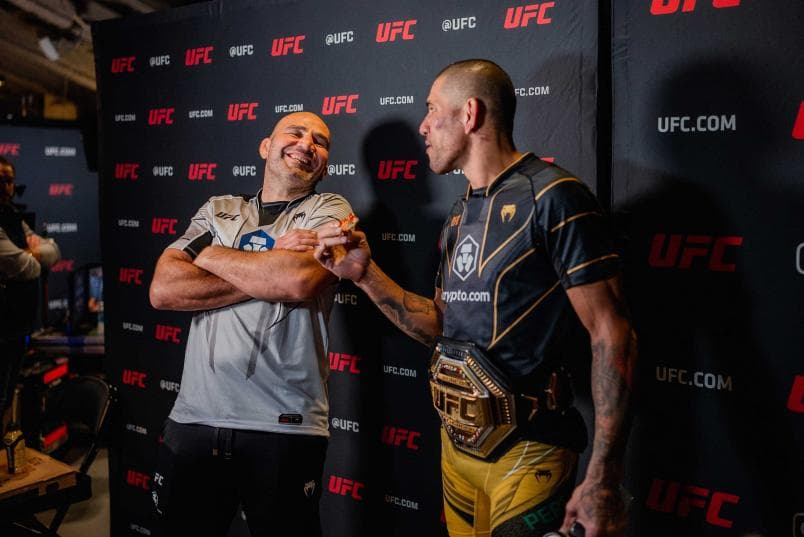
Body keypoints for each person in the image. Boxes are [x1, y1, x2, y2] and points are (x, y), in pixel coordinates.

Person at [315, 60, 637, 537]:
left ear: (469, 114)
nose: (422, 126)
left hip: (529, 454)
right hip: (457, 454)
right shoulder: (461, 211)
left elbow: (613, 334)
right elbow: (443, 327)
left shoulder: (554, 197)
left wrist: (604, 476)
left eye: (430, 110)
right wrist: (366, 277)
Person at [148, 112, 353, 537]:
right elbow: (164, 288)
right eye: (295, 132)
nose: (307, 144)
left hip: (283, 425)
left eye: (321, 141)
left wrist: (207, 253)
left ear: (326, 163)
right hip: (194, 418)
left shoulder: (329, 210)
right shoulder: (220, 208)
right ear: (265, 146)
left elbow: (296, 280)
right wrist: (270, 258)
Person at [0, 156, 60, 427]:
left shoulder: (11, 215)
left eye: (9, 180)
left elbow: (53, 252)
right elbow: (26, 267)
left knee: (6, 401)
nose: (5, 186)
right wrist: (32, 254)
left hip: (17, 328)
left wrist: (30, 252)